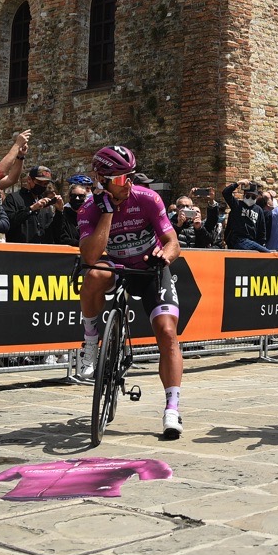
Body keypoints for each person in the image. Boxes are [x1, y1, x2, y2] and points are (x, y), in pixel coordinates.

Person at [76, 145, 187, 438]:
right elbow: (90, 255)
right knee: (94, 274)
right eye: (119, 179)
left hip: (150, 267)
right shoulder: (89, 208)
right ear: (101, 180)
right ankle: (91, 342)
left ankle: (172, 408)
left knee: (167, 332)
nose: (127, 184)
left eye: (130, 176)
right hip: (115, 266)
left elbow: (172, 242)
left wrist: (166, 256)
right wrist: (107, 213)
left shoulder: (147, 198)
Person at [3, 166, 73, 244]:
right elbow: (8, 222)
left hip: (41, 249)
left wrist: (59, 212)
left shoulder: (45, 204)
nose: (42, 186)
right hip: (20, 248)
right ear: (29, 179)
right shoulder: (14, 198)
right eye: (39, 182)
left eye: (45, 184)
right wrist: (31, 209)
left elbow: (53, 232)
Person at [222, 179, 271, 251]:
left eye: (253, 197)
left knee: (264, 251)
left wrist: (262, 243)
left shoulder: (258, 210)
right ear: (244, 195)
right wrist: (238, 183)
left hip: (252, 241)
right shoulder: (237, 205)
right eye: (248, 196)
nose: (250, 198)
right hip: (238, 240)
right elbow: (225, 193)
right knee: (265, 251)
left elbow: (262, 230)